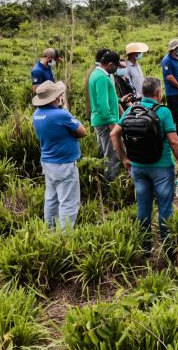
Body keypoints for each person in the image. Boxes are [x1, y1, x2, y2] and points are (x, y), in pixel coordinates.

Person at [111, 77, 178, 251]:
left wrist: (124, 158)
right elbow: (175, 142)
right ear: (159, 93)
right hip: (161, 167)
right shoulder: (164, 112)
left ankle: (145, 248)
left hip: (138, 167)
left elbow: (114, 134)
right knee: (165, 208)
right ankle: (168, 247)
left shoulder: (131, 110)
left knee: (143, 207)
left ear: (143, 93)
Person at [32, 81, 86, 231]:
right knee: (68, 201)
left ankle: (50, 229)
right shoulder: (61, 114)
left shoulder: (36, 115)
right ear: (55, 98)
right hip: (64, 163)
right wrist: (65, 111)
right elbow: (82, 131)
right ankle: (65, 236)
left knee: (51, 199)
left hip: (48, 162)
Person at [89, 51, 129, 181]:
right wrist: (112, 122)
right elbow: (102, 104)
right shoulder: (102, 77)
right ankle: (111, 185)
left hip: (100, 120)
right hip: (105, 122)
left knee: (103, 153)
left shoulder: (96, 74)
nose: (116, 69)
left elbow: (104, 99)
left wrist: (119, 100)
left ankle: (99, 180)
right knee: (112, 155)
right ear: (110, 64)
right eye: (116, 66)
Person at [161, 39, 178, 139]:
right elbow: (169, 77)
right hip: (173, 93)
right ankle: (171, 136)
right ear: (173, 49)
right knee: (173, 115)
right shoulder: (167, 60)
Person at [85, 48, 110, 121]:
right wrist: (109, 119)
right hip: (101, 115)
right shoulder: (100, 73)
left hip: (96, 113)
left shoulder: (94, 70)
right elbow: (102, 99)